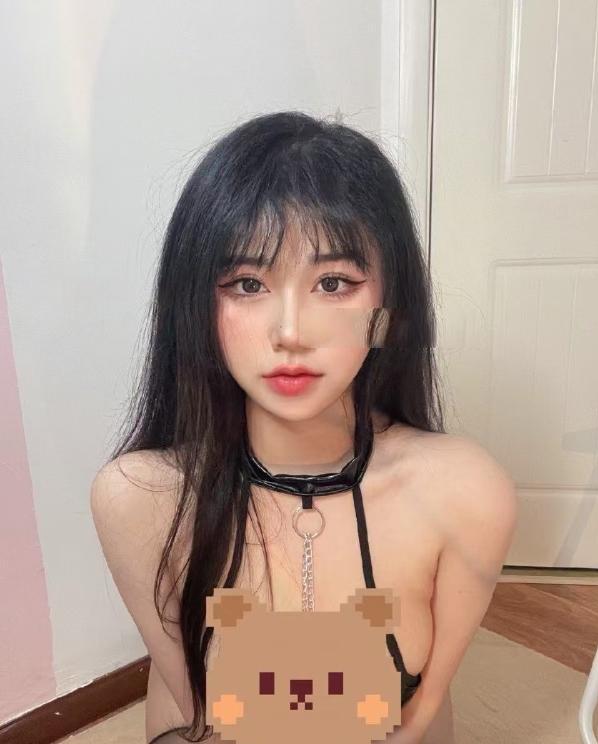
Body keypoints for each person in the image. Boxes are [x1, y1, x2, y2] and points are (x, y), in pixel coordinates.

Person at [90, 111, 517, 744]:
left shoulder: (466, 492)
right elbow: (196, 710)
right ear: (196, 306)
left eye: (333, 283)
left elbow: (423, 713)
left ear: (388, 308)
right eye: (247, 283)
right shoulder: (140, 498)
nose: (290, 332)